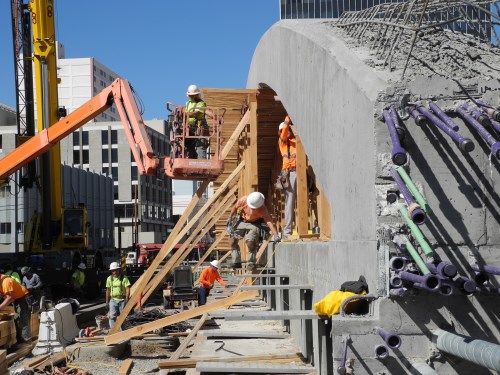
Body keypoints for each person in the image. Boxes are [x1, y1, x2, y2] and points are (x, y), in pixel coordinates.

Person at [227, 191, 280, 270]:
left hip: (254, 224)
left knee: (251, 243)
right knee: (232, 240)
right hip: (242, 221)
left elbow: (269, 222)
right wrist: (230, 218)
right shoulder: (244, 200)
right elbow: (235, 207)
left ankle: (251, 263)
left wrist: (276, 235)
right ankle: (236, 262)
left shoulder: (263, 209)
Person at [278, 115, 297, 238]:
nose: (287, 131)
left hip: (298, 171)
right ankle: (287, 231)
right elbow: (284, 129)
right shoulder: (283, 141)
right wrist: (288, 116)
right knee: (289, 201)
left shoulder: (296, 141)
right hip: (289, 173)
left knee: (301, 199)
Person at [0, 272, 31, 344]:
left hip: (22, 299)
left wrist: (0, 307)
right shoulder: (1, 281)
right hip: (17, 300)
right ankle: (20, 343)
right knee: (17, 320)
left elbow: (10, 297)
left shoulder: (6, 282)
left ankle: (27, 345)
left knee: (23, 322)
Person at [185, 84, 209, 159]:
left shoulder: (201, 103)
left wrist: (185, 114)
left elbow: (196, 113)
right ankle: (191, 164)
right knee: (189, 145)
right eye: (191, 95)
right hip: (190, 128)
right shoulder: (188, 103)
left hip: (199, 127)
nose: (192, 97)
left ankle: (202, 166)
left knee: (200, 146)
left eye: (194, 95)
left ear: (197, 94)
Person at [105, 262, 131, 329]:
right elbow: (108, 290)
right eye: (113, 271)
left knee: (122, 317)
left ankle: (122, 332)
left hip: (122, 300)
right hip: (113, 300)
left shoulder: (124, 278)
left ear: (118, 270)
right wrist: (107, 302)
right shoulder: (109, 279)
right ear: (111, 271)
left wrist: (127, 299)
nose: (115, 272)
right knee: (112, 317)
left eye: (116, 270)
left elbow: (127, 289)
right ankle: (113, 332)